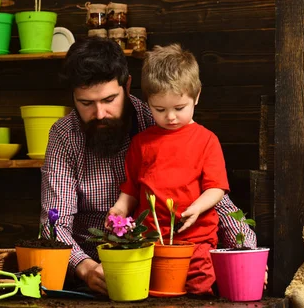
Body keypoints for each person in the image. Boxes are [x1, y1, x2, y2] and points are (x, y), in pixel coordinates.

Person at [40, 38, 256, 295]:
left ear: (128, 86)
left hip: (166, 260)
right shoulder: (64, 135)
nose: (99, 113)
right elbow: (53, 224)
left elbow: (217, 201)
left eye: (109, 99)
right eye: (86, 103)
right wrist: (85, 267)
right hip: (92, 274)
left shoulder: (162, 122)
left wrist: (247, 256)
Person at [110, 43, 227, 295]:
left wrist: (196, 208)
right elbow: (131, 189)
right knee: (154, 295)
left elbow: (216, 187)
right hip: (151, 242)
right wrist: (119, 209)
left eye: (179, 108)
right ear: (148, 102)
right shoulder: (142, 143)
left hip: (196, 239)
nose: (170, 117)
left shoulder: (206, 140)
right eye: (159, 110)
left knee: (199, 291)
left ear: (196, 96)